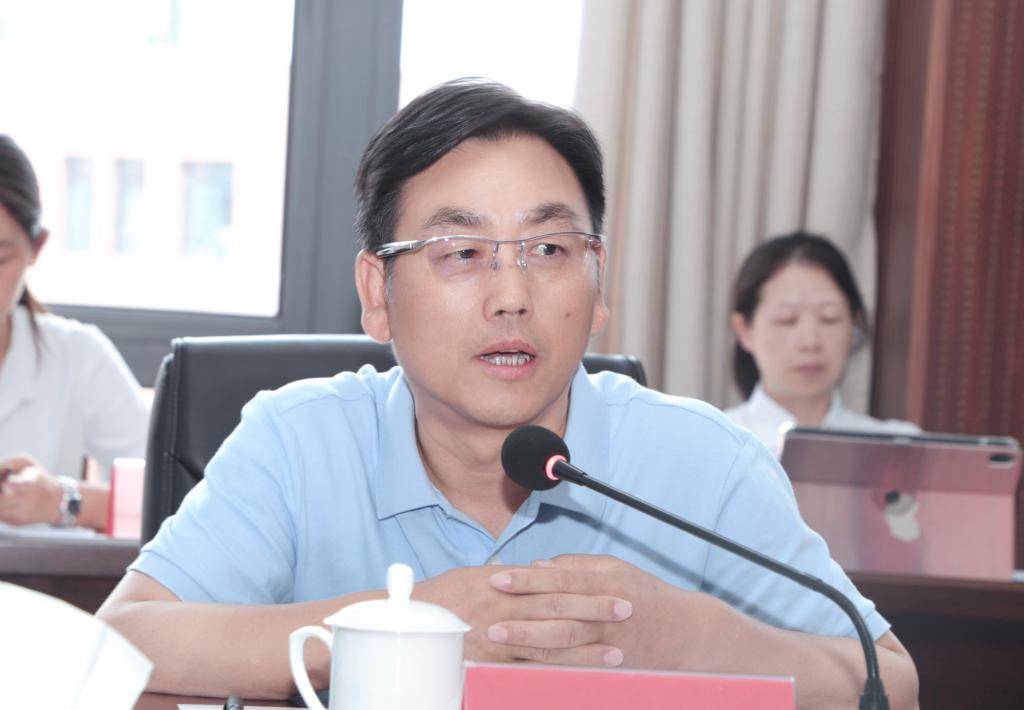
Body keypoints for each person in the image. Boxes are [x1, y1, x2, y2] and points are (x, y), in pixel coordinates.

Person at [97, 80, 918, 707]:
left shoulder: (704, 462)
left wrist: (698, 640)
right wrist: (393, 634)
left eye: (549, 249)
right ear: (377, 292)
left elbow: (893, 682)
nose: (511, 296)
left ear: (598, 283)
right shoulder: (299, 441)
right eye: (461, 252)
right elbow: (121, 640)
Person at [0, 135, 149, 530]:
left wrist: (62, 500)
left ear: (36, 246)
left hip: (38, 571)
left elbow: (174, 498)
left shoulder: (77, 356)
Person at [726, 232, 920, 456]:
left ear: (854, 324)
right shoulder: (715, 443)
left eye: (829, 318)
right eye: (787, 320)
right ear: (745, 330)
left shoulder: (900, 448)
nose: (810, 342)